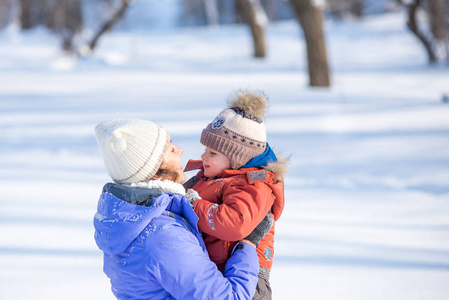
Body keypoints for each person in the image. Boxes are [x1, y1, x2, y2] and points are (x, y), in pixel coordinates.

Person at [93, 118, 272, 300]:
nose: (180, 149)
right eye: (169, 148)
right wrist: (248, 244)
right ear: (153, 171)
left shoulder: (133, 219)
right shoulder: (164, 237)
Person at [183, 90, 288, 300]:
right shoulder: (213, 177)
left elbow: (235, 223)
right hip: (220, 271)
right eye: (205, 149)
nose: (204, 156)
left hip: (248, 279)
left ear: (238, 159)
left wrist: (194, 204)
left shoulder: (254, 185)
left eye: (213, 153)